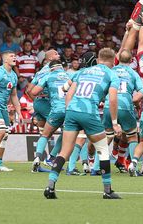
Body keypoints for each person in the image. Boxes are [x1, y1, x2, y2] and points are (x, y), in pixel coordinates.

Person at [44, 48, 122, 200]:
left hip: (72, 111)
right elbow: (112, 99)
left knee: (64, 151)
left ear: (98, 59)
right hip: (89, 112)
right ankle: (107, 191)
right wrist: (115, 123)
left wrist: (69, 110)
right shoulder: (112, 74)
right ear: (113, 62)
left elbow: (66, 90)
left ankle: (50, 187)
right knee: (103, 150)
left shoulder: (82, 72)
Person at [29, 59, 71, 172]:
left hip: (56, 110)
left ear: (51, 68)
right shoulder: (69, 75)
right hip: (69, 110)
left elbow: (33, 92)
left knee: (45, 134)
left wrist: (47, 91)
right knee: (67, 134)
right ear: (61, 67)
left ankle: (37, 157)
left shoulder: (47, 76)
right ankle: (51, 157)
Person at [107, 49, 143, 172]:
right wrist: (138, 105)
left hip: (109, 106)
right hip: (125, 106)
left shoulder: (110, 71)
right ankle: (134, 167)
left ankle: (96, 167)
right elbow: (140, 92)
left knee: (106, 137)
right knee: (132, 137)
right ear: (131, 60)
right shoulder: (133, 74)